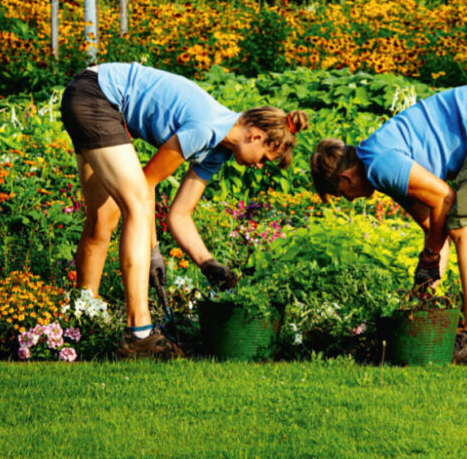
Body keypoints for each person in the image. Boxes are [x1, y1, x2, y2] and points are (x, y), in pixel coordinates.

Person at [60, 61, 308, 360]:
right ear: (256, 136)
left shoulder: (218, 151)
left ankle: (85, 320)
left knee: (102, 219)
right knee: (134, 203)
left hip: (96, 99)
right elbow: (146, 185)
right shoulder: (206, 128)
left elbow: (180, 214)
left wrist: (209, 264)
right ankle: (139, 333)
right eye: (264, 158)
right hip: (97, 94)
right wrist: (152, 250)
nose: (258, 166)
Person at [310, 84, 467, 365]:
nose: (352, 200)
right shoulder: (380, 165)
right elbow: (433, 227)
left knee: (465, 227)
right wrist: (424, 292)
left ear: (346, 178)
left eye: (344, 195)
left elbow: (444, 197)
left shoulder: (379, 164)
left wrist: (429, 254)